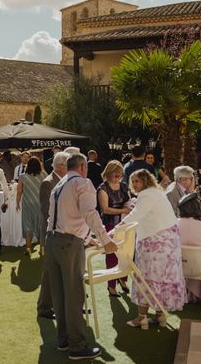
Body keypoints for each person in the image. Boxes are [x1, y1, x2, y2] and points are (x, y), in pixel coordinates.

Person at [45, 153, 117, 360]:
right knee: (75, 294)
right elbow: (90, 213)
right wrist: (105, 239)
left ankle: (64, 340)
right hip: (68, 244)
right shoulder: (83, 183)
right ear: (83, 166)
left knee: (59, 295)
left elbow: (59, 217)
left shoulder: (58, 185)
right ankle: (76, 346)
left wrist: (87, 238)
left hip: (52, 241)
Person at [120, 169, 187, 328]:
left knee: (146, 277)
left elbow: (136, 214)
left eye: (137, 181)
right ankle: (160, 316)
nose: (135, 184)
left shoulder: (147, 195)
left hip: (156, 243)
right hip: (168, 243)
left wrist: (117, 228)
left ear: (146, 181)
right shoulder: (156, 193)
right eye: (133, 181)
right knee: (162, 279)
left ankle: (141, 317)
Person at [37, 151, 69, 319]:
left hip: (62, 234)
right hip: (52, 234)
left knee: (56, 273)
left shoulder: (62, 181)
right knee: (49, 273)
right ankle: (44, 308)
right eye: (68, 164)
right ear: (60, 166)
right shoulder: (48, 183)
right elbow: (45, 210)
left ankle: (57, 306)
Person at [97, 160, 131, 296]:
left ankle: (123, 279)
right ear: (109, 174)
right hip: (110, 224)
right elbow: (105, 209)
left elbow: (129, 201)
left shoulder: (123, 186)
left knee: (125, 254)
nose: (118, 178)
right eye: (116, 175)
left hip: (124, 223)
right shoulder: (103, 188)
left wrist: (128, 208)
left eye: (120, 175)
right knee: (112, 256)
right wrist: (123, 210)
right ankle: (111, 285)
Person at [177, 193, 201, 302]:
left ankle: (189, 294)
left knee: (194, 259)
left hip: (178, 267)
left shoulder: (175, 224)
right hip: (200, 268)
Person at [16, 156, 47, 255]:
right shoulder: (44, 175)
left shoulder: (23, 176)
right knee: (42, 224)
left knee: (28, 225)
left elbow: (19, 192)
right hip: (41, 203)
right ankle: (42, 248)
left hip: (28, 203)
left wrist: (17, 203)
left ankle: (28, 248)